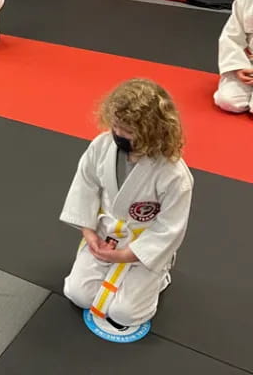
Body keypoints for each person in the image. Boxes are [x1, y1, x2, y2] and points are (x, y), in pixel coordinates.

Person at [61, 79, 193, 331]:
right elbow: (85, 186)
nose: (119, 134)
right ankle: (107, 263)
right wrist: (89, 234)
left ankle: (161, 275)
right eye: (117, 126)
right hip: (104, 237)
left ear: (153, 131)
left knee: (125, 314)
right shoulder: (102, 146)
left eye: (129, 131)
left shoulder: (173, 174)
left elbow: (170, 228)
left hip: (144, 249)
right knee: (77, 294)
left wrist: (126, 255)